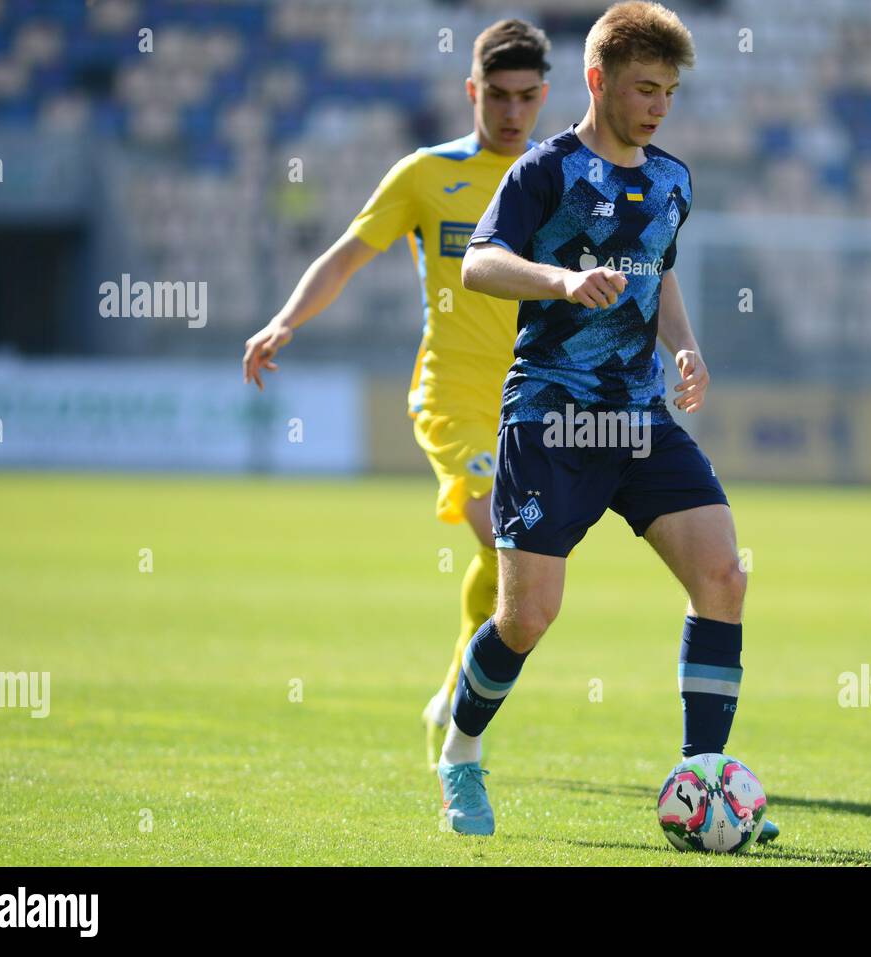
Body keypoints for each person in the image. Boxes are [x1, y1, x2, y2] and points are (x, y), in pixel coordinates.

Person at [444, 0, 777, 845]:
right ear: (598, 81)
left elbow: (656, 273)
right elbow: (480, 262)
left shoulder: (674, 180)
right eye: (643, 87)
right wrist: (557, 282)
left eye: (668, 90)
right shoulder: (544, 172)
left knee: (724, 577)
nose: (659, 104)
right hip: (550, 415)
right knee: (529, 616)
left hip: (636, 417)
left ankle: (705, 784)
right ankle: (460, 753)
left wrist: (687, 347)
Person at [241, 20, 552, 767]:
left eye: (528, 97)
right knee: (501, 535)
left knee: (516, 559)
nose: (513, 112)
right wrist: (285, 319)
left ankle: (454, 688)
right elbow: (347, 255)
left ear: (545, 95)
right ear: (472, 92)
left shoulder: (559, 179)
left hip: (534, 402)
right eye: (499, 96)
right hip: (451, 396)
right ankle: (462, 722)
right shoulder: (425, 174)